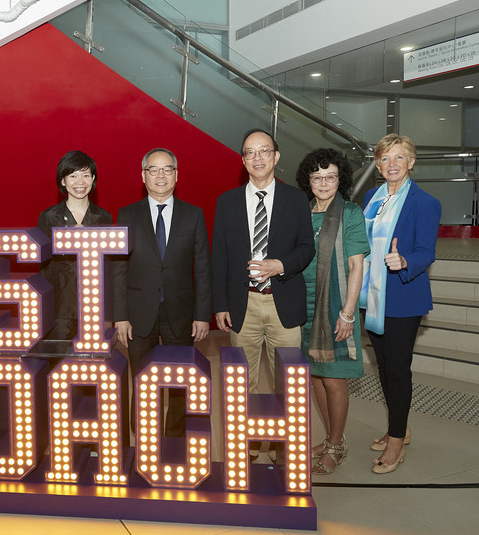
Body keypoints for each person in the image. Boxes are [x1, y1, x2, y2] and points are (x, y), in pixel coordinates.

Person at [113, 148, 211, 437]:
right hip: (138, 313)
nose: (160, 176)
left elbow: (203, 268)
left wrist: (202, 314)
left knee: (180, 381)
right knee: (142, 379)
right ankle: (146, 437)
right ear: (143, 176)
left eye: (167, 169)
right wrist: (120, 315)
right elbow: (118, 268)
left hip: (180, 313)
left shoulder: (193, 215)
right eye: (153, 170)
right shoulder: (127, 214)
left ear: (176, 175)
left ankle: (175, 437)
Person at [212, 129, 315, 396]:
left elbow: (307, 247)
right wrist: (220, 304)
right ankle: (247, 439)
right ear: (243, 160)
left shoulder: (296, 199)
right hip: (242, 304)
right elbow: (219, 256)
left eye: (264, 151)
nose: (258, 158)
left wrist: (280, 265)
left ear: (276, 156)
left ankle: (281, 439)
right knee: (241, 385)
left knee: (289, 385)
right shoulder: (226, 202)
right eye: (250, 152)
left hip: (285, 302)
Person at [360, 134, 440, 474]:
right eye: (385, 159)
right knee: (383, 367)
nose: (391, 164)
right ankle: (400, 425)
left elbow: (427, 251)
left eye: (398, 158)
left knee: (397, 369)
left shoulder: (425, 202)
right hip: (370, 296)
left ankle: (396, 443)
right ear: (378, 165)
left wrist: (404, 262)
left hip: (403, 298)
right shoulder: (370, 197)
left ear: (411, 162)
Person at [295, 148, 369, 475]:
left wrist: (348, 313)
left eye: (331, 177)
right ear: (308, 180)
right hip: (303, 304)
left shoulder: (350, 213)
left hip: (336, 304)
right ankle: (328, 438)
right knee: (316, 376)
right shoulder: (301, 211)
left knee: (335, 379)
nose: (324, 183)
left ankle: (337, 444)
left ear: (341, 180)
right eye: (317, 177)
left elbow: (356, 266)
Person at [37, 150, 112, 340]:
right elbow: (42, 267)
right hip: (59, 307)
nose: (80, 182)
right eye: (73, 176)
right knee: (56, 364)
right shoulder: (48, 217)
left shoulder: (104, 217)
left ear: (93, 179)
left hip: (94, 307)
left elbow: (110, 267)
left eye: (86, 175)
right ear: (63, 181)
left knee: (92, 365)